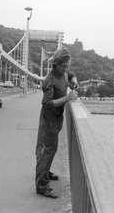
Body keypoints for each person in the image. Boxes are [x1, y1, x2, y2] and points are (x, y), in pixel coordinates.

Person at [35, 46, 78, 198]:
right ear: (56, 64)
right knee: (47, 149)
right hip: (49, 117)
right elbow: (46, 103)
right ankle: (42, 185)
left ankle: (45, 171)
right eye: (63, 66)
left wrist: (74, 82)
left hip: (58, 116)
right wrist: (67, 98)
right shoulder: (49, 79)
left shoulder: (64, 72)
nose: (66, 69)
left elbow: (71, 75)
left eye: (67, 66)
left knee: (50, 148)